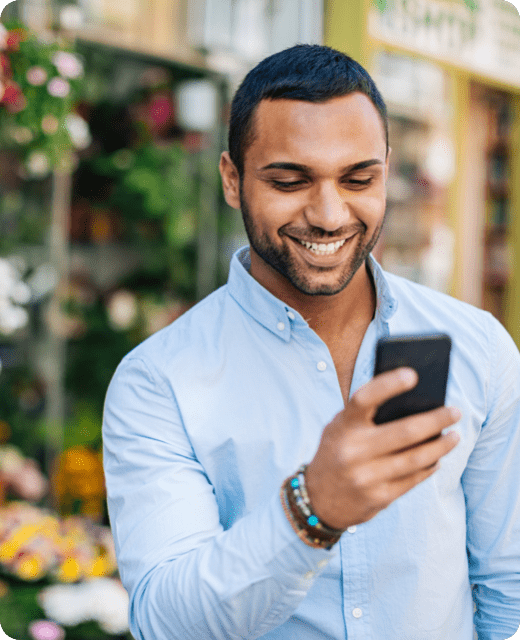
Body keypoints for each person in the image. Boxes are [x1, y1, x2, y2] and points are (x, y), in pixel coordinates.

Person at [102, 44, 520, 640]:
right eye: (290, 180)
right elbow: (165, 623)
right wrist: (309, 510)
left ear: (386, 170)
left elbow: (507, 590)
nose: (328, 214)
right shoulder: (159, 381)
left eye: (358, 179)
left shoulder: (479, 347)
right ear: (231, 179)